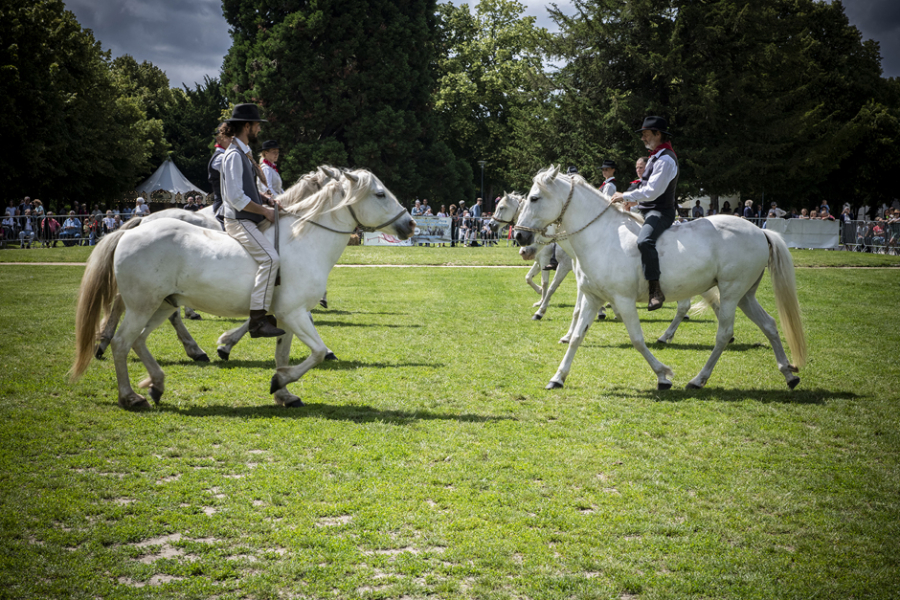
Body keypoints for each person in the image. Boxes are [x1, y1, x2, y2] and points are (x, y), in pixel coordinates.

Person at [220, 103, 285, 338]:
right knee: (270, 259)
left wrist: (267, 199)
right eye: (257, 125)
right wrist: (265, 211)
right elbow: (236, 198)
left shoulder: (244, 153)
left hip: (249, 216)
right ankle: (257, 321)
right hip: (239, 221)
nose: (259, 129)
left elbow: (248, 190)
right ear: (247, 126)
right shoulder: (234, 155)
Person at [610, 116, 679, 311]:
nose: (643, 138)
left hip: (660, 213)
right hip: (647, 209)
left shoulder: (665, 159)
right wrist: (634, 200)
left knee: (644, 241)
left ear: (658, 134)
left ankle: (655, 290)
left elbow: (652, 191)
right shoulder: (655, 157)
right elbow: (647, 190)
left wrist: (625, 195)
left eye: (646, 134)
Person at [209, 122, 232, 228]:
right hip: (223, 206)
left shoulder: (226, 156)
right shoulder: (220, 158)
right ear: (218, 139)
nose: (231, 140)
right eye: (228, 137)